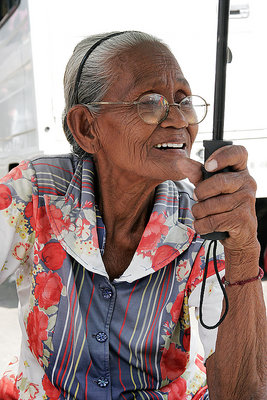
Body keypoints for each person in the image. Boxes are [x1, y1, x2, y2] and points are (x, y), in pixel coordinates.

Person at [0, 30, 266, 400]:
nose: (178, 120)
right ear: (86, 127)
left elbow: (244, 393)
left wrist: (244, 250)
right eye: (150, 102)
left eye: (183, 100)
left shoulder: (204, 220)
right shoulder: (34, 192)